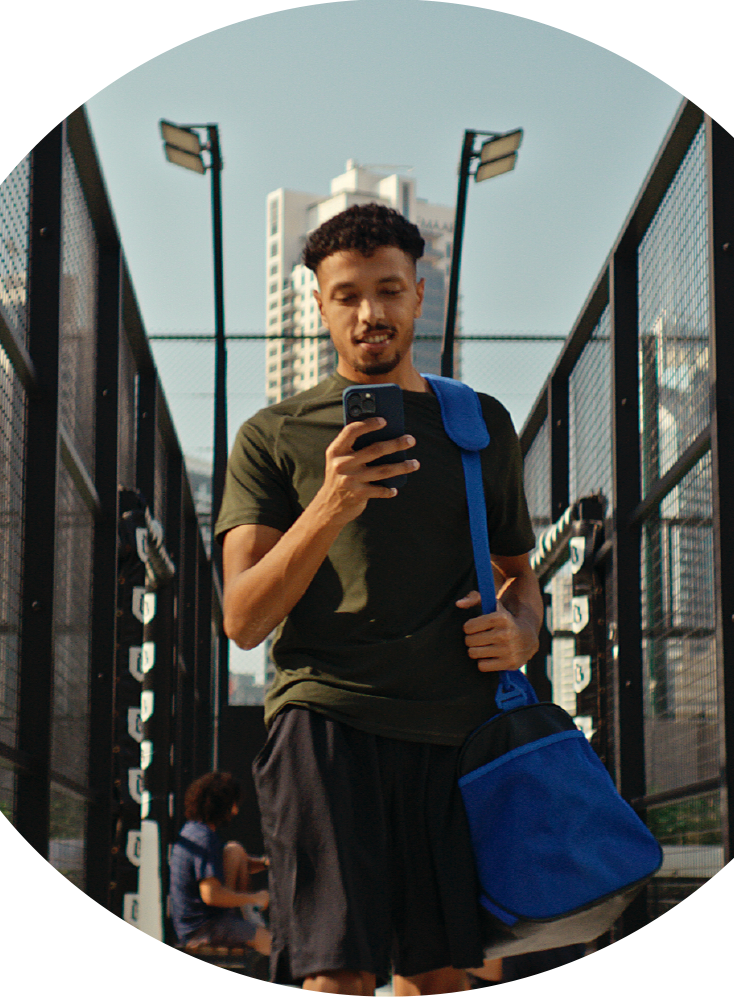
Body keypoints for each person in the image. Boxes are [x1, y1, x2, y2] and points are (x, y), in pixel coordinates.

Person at [216, 202, 541, 995]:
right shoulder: (274, 435)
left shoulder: (478, 424)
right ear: (319, 304)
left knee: (441, 976)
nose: (371, 314)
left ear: (419, 296)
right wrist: (329, 503)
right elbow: (244, 618)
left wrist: (522, 634)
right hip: (324, 721)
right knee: (336, 974)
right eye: (349, 295)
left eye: (390, 291)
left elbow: (520, 580)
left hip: (454, 730)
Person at [168, 771, 272, 959]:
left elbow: (228, 864)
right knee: (273, 945)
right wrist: (253, 898)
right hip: (203, 929)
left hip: (205, 922)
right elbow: (210, 895)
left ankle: (248, 915)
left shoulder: (194, 831)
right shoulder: (204, 839)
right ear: (220, 804)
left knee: (234, 850)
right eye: (233, 805)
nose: (235, 811)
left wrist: (266, 863)